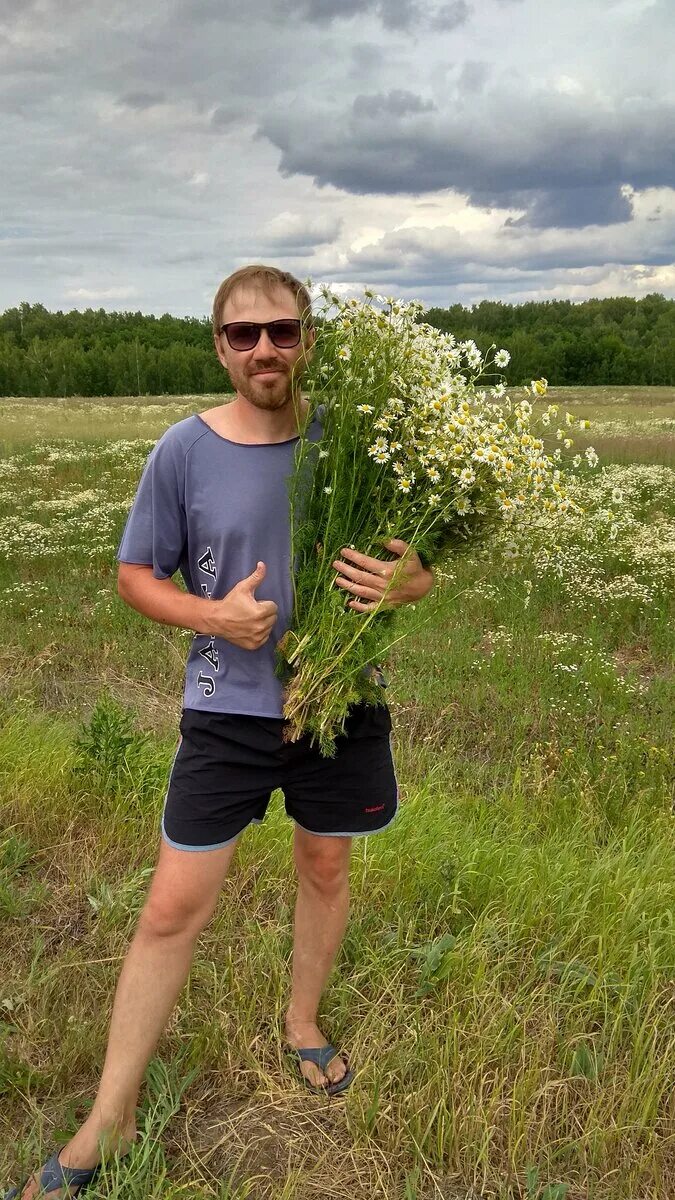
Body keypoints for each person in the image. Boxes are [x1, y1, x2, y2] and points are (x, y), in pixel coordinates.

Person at [6, 265, 434, 1200]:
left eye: (281, 331)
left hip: (341, 704)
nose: (264, 351)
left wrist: (414, 583)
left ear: (308, 339)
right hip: (225, 713)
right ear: (219, 346)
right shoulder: (184, 451)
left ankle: (302, 1022)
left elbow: (416, 564)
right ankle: (106, 1122)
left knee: (326, 864)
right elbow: (134, 576)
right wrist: (213, 617)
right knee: (171, 907)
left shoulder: (358, 441)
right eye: (243, 335)